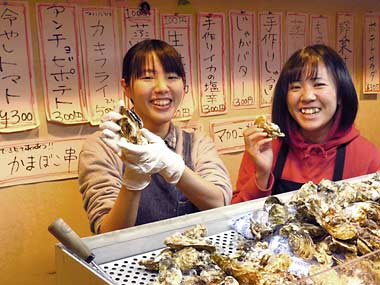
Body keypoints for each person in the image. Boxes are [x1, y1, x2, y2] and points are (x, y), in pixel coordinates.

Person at [79, 39, 232, 234]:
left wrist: (170, 165)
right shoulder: (101, 147)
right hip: (131, 262)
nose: (162, 87)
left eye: (172, 76)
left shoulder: (196, 142)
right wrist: (133, 178)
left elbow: (220, 203)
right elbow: (107, 233)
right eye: (147, 77)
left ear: (184, 85)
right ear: (126, 87)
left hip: (196, 259)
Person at [232, 44, 380, 203]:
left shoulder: (367, 156)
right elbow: (234, 217)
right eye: (295, 87)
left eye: (319, 85)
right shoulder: (264, 146)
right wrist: (262, 175)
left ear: (340, 95)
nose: (307, 96)